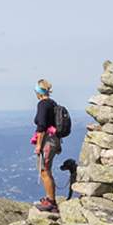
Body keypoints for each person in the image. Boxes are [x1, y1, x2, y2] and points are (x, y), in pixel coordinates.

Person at [31, 80, 65, 212]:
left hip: (47, 141)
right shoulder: (53, 103)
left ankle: (51, 202)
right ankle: (51, 200)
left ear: (38, 92)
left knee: (44, 171)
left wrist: (38, 145)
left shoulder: (42, 104)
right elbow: (55, 124)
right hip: (55, 140)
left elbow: (42, 126)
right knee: (47, 170)